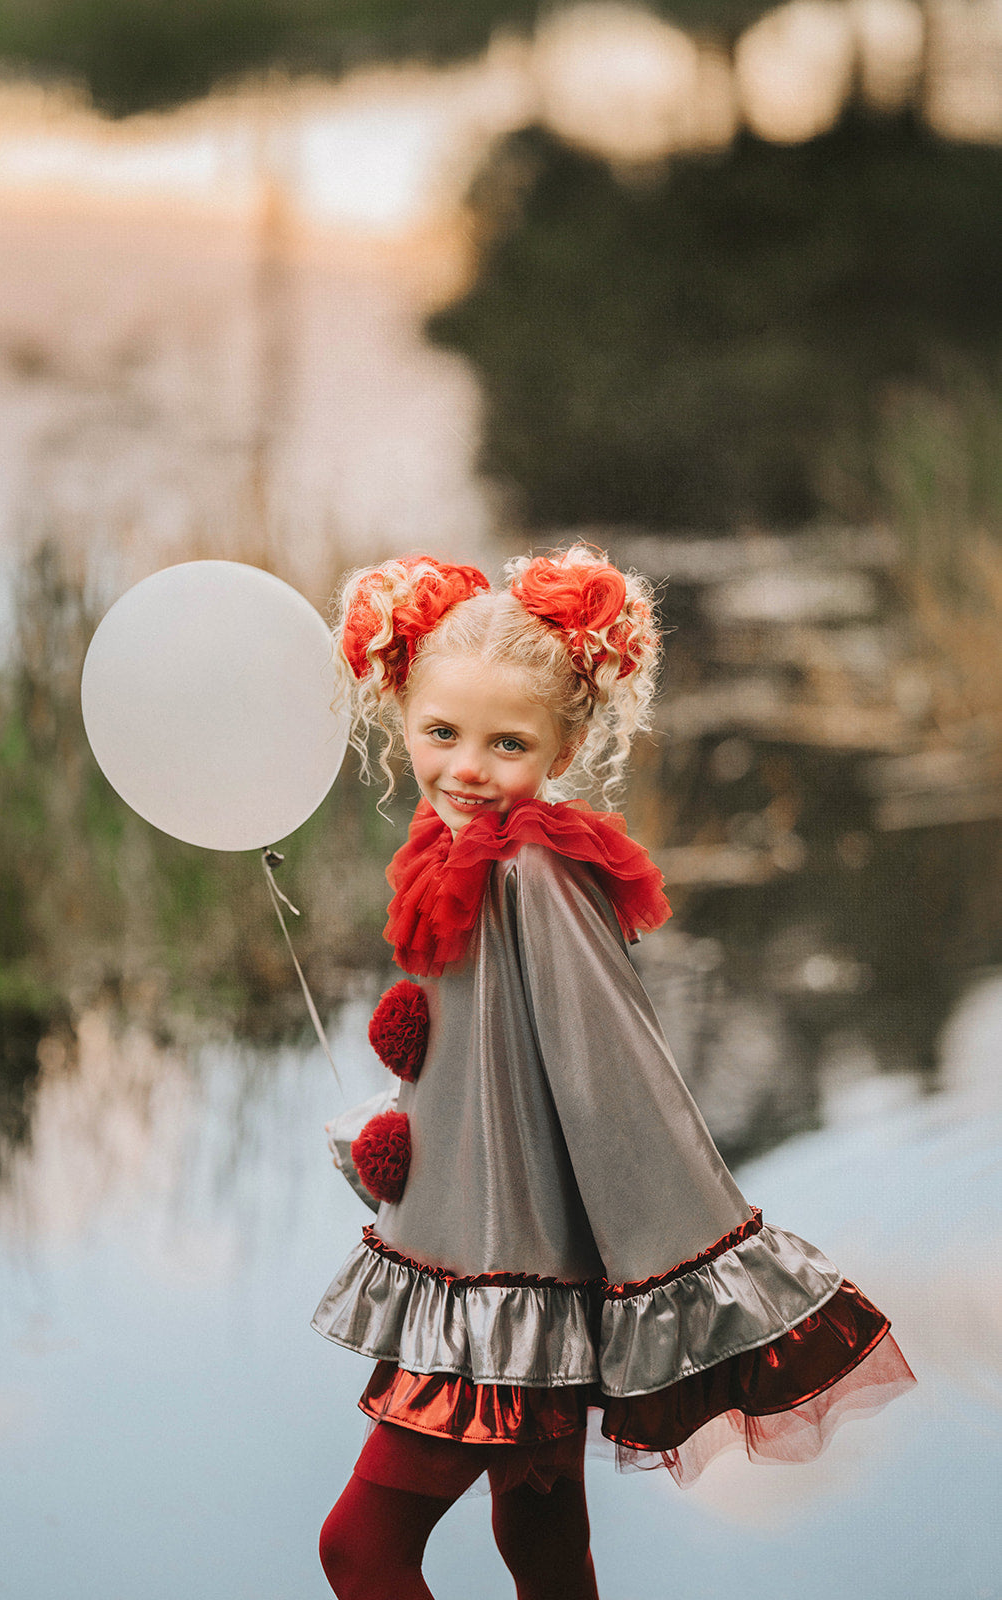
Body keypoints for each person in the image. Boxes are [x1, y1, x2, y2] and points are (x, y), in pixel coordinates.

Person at [312, 547, 915, 1600]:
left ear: (566, 742)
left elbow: (611, 1078)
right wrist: (404, 1129)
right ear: (400, 710)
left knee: (358, 1550)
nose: (465, 767)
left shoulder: (531, 870)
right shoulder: (455, 852)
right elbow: (501, 1071)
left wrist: (696, 1269)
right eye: (441, 732)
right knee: (540, 1540)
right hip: (490, 1271)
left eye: (507, 743)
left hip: (498, 1299)